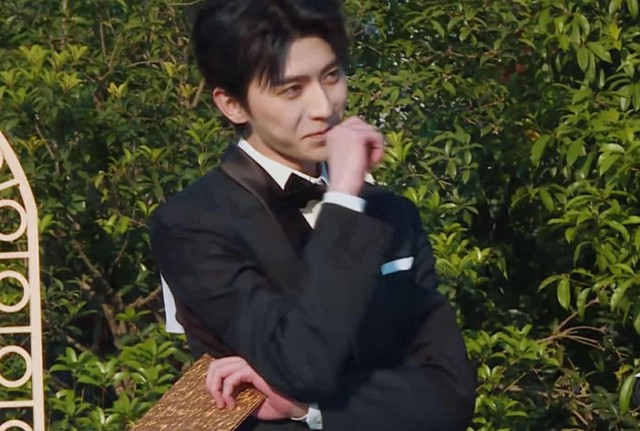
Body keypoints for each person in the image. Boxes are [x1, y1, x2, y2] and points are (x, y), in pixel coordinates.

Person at [150, 0, 476, 429]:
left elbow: (451, 394)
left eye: (332, 76)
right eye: (291, 90)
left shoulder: (391, 213)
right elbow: (303, 366)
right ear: (232, 104)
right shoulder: (192, 223)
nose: (323, 106)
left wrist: (308, 409)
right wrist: (342, 199)